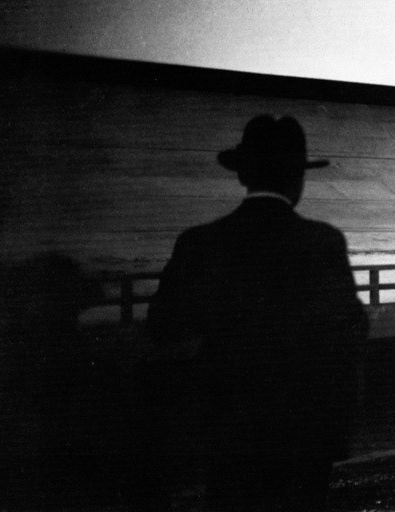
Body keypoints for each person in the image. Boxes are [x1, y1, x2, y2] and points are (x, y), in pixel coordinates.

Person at [145, 114, 369, 511]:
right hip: (304, 441)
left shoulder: (199, 243)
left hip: (229, 437)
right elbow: (351, 333)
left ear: (242, 176)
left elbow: (162, 329)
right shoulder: (323, 242)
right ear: (297, 181)